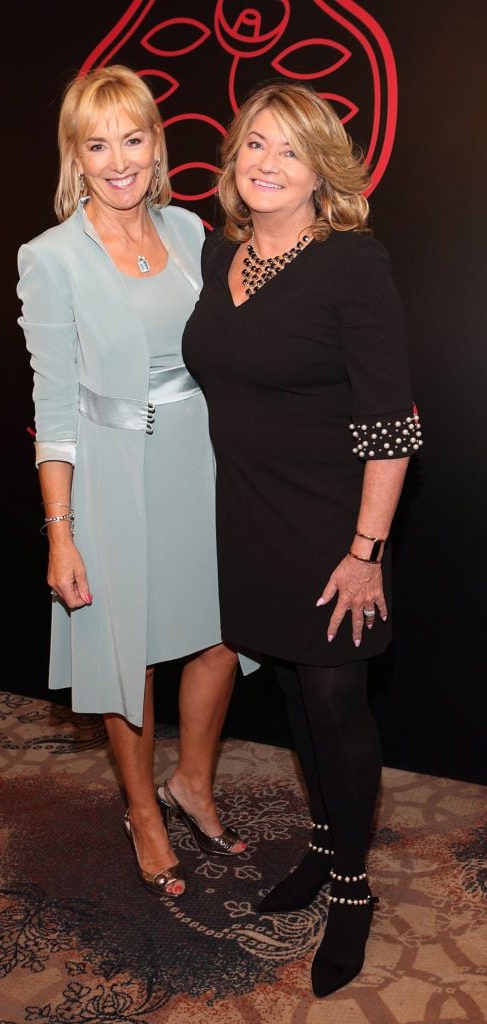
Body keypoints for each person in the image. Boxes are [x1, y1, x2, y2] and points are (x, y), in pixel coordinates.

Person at [182, 81, 422, 995]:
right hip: (247, 515)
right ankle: (323, 848)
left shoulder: (353, 265)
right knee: (287, 686)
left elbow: (391, 423)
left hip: (332, 525)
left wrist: (365, 553)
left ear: (324, 168)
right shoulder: (220, 260)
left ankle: (353, 889)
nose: (266, 162)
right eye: (253, 144)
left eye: (288, 148)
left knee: (334, 704)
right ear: (234, 162)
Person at [17, 65, 249, 901]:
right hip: (114, 473)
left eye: (134, 137)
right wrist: (61, 530)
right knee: (130, 654)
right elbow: (53, 405)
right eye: (98, 143)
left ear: (158, 142)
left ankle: (191, 780)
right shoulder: (50, 258)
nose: (119, 160)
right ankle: (144, 816)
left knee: (225, 631)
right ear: (76, 159)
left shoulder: (191, 233)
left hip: (207, 459)